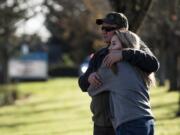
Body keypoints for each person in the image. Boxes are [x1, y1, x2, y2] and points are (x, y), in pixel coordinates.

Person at [78, 12, 159, 135]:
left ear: (122, 31)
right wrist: (89, 77)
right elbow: (83, 85)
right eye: (102, 28)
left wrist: (123, 54)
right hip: (103, 124)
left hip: (128, 121)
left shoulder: (137, 48)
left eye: (108, 28)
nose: (103, 31)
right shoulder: (100, 55)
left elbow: (153, 64)